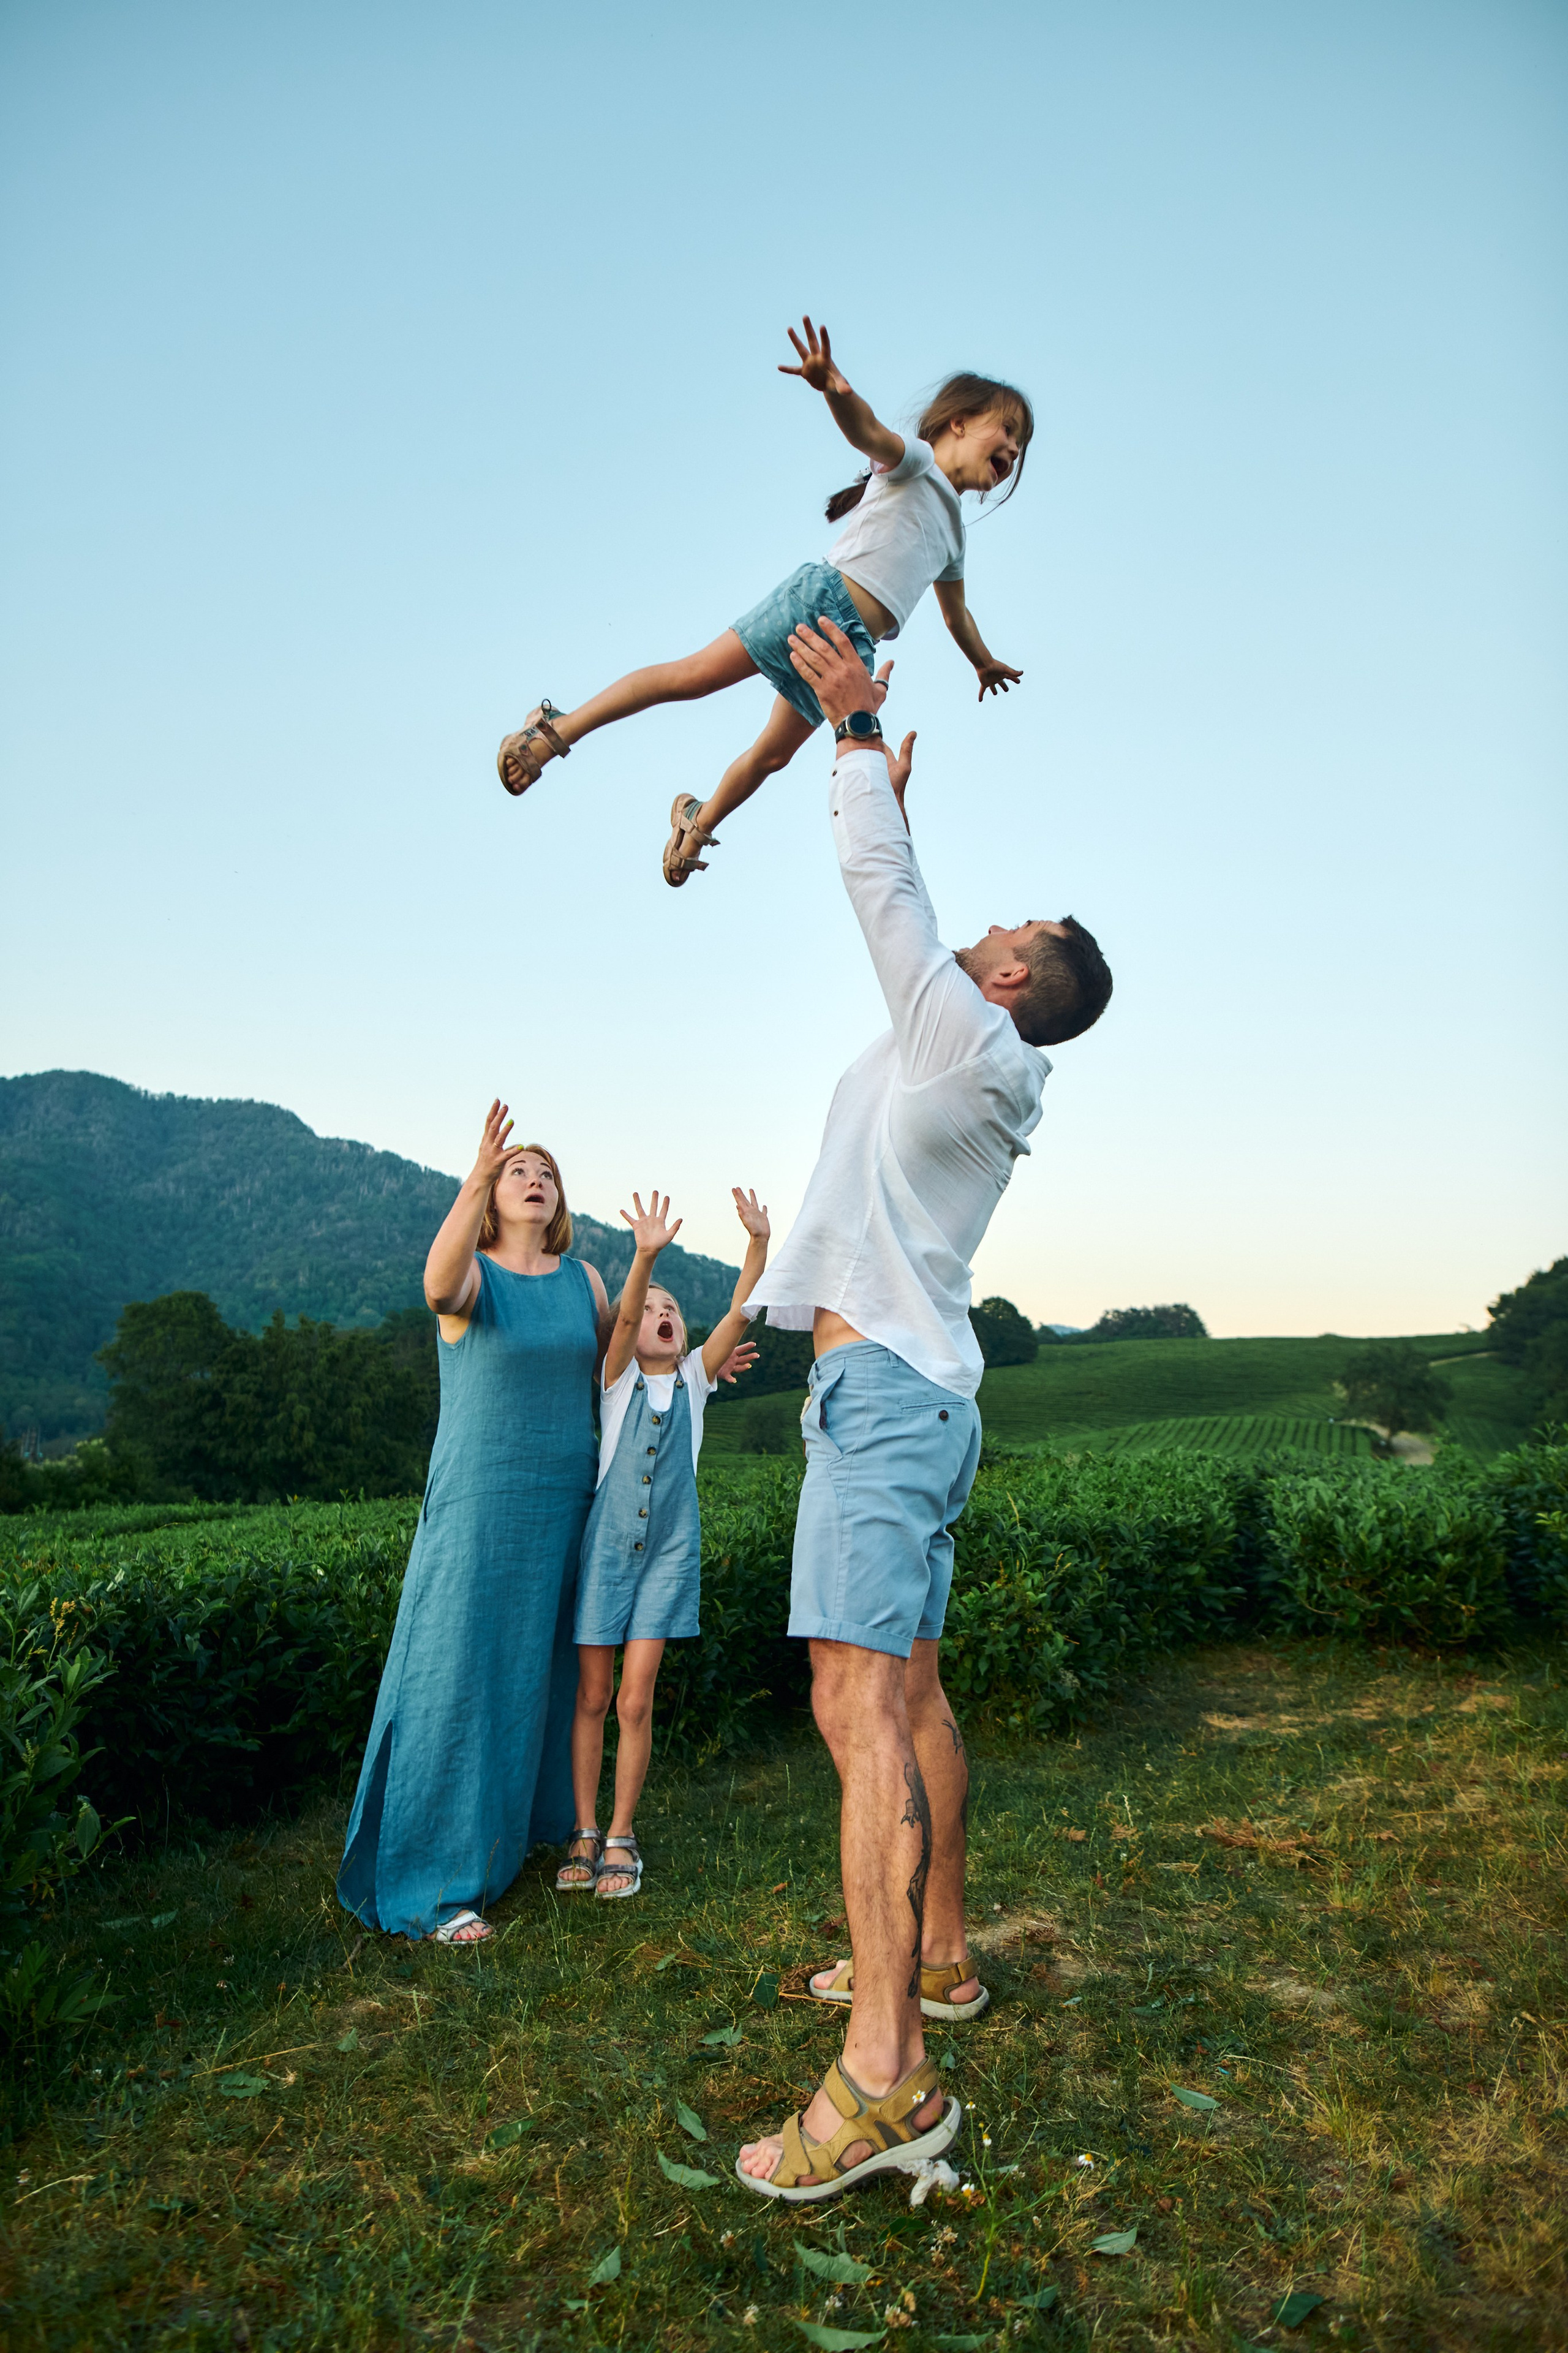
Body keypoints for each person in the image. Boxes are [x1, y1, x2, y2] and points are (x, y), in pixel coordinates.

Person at [733, 616, 1112, 2201]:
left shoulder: (970, 1038)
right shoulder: (960, 1053)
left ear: (1013, 975)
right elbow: (915, 934)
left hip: (884, 1397)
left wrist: (854, 728)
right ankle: (932, 1954)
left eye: (1000, 930)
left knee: (859, 1710)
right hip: (900, 1388)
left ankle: (887, 2073)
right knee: (912, 1698)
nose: (980, 935)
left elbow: (886, 899)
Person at [496, 318, 1031, 889]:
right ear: (960, 421)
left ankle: (696, 823)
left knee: (771, 758)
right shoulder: (916, 463)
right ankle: (557, 729)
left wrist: (982, 659)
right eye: (1008, 431)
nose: (1015, 450)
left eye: (1021, 449)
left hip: (851, 652)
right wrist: (834, 389)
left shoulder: (956, 537)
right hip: (818, 602)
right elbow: (868, 431)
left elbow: (957, 614)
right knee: (694, 677)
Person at [336, 1106, 609, 1943]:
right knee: (459, 1674)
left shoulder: (586, 1281)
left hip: (564, 1504)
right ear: (491, 1197)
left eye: (546, 1171)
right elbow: (433, 1285)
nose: (534, 1178)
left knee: (543, 1671)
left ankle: (518, 1837)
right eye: (516, 1171)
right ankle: (435, 1880)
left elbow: (615, 1364)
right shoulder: (473, 1281)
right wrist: (472, 1172)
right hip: (482, 1508)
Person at [556, 1185, 771, 1900]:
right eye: (650, 1309)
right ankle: (581, 1829)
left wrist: (758, 1244)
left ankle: (621, 1833)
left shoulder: (696, 1379)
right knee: (592, 1695)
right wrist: (644, 1258)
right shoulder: (614, 1381)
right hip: (606, 1556)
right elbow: (619, 1321)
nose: (662, 1313)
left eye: (671, 1307)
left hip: (668, 1559)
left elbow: (741, 1307)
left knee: (634, 1701)